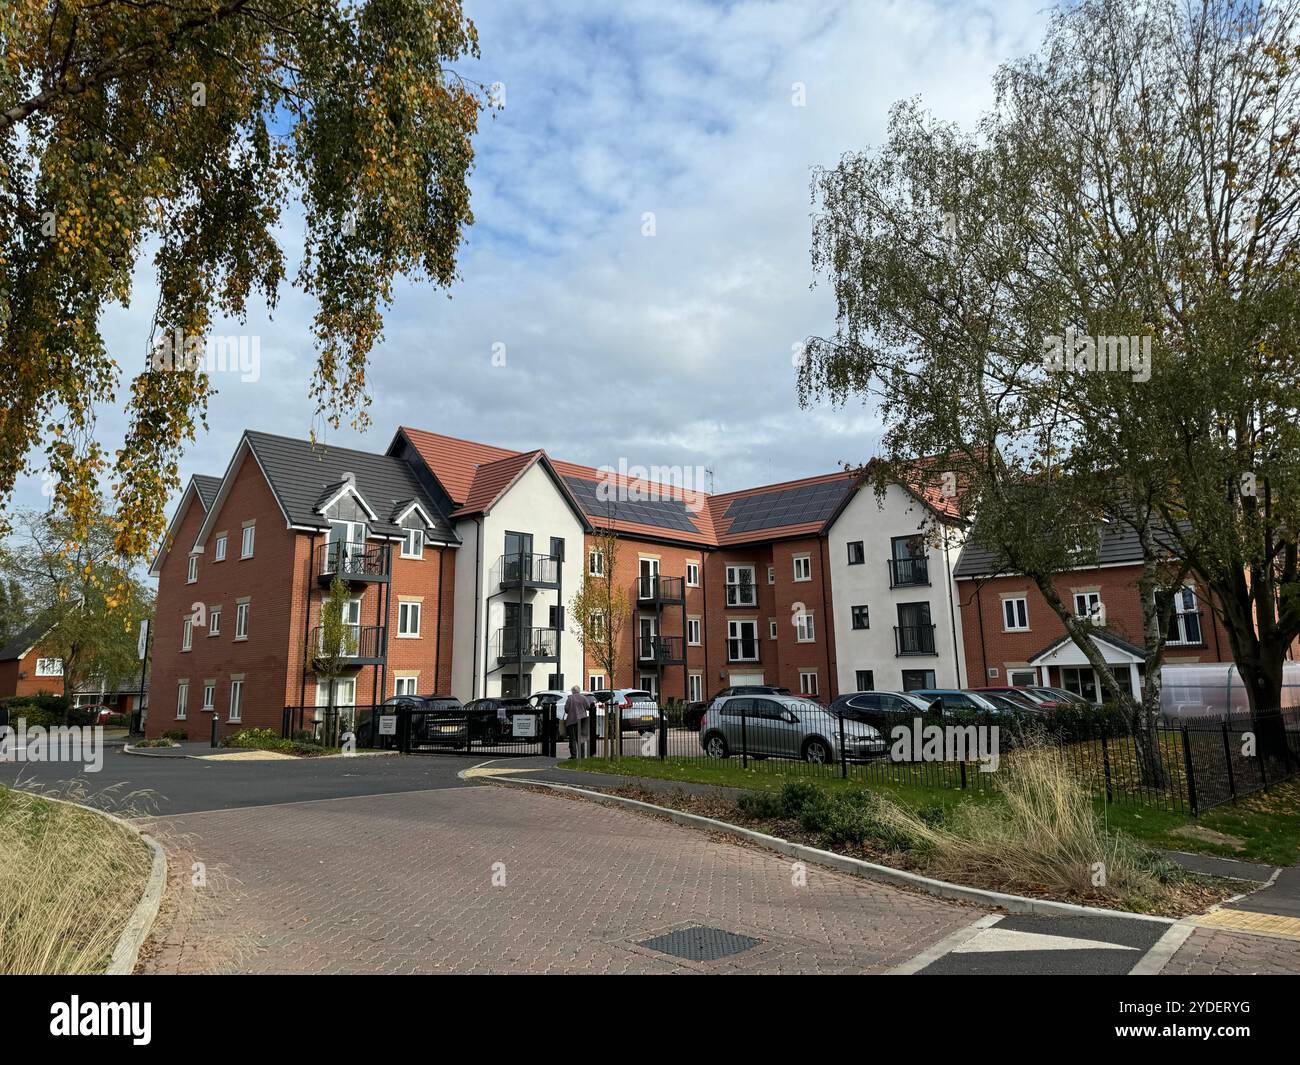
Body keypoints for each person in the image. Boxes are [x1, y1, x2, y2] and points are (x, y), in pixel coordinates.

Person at [563, 685, 590, 760]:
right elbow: (588, 707)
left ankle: (573, 755)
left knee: (572, 739)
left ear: (572, 691)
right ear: (579, 691)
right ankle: (582, 755)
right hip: (582, 720)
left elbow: (566, 709)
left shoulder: (570, 698)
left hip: (572, 721)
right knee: (581, 738)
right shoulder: (584, 698)